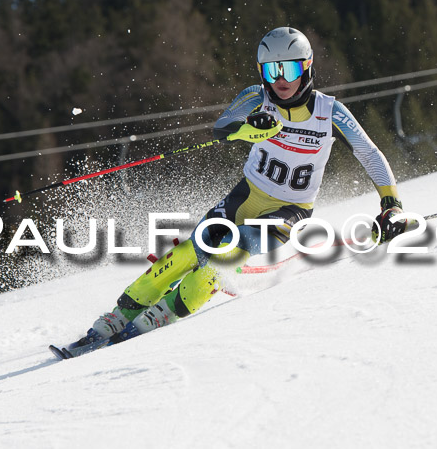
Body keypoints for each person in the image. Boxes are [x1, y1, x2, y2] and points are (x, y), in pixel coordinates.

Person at [54, 27, 407, 358]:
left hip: (289, 210)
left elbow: (369, 153)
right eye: (271, 71)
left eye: (289, 69)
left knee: (225, 258)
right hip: (245, 196)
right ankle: (117, 318)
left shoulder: (330, 112)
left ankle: (158, 317)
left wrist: (391, 204)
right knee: (189, 253)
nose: (280, 80)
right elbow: (223, 127)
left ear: (307, 67)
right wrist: (248, 130)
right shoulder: (256, 97)